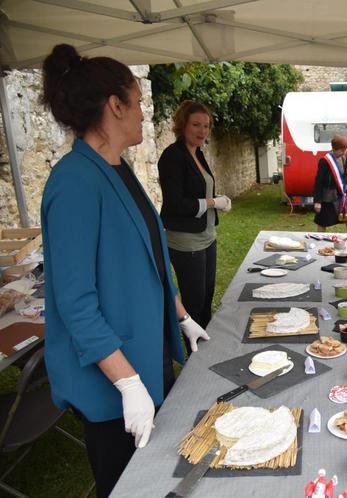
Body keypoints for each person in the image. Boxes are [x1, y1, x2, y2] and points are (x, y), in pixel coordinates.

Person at [40, 44, 209, 497]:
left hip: (146, 352)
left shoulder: (119, 169)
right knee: (128, 484)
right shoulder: (74, 181)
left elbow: (151, 255)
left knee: (160, 476)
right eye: (136, 102)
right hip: (113, 380)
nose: (142, 114)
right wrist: (129, 382)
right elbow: (74, 303)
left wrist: (180, 314)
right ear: (115, 105)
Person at [158, 101, 232, 330]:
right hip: (186, 241)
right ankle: (196, 354)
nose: (202, 131)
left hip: (207, 236)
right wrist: (213, 202)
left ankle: (205, 347)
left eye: (206, 126)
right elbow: (176, 203)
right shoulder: (172, 156)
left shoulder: (197, 154)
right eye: (196, 125)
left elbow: (198, 191)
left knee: (206, 297)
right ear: (182, 126)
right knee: (194, 301)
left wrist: (217, 198)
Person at [312, 134, 347, 246]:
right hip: (327, 198)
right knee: (322, 222)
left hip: (342, 196)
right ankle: (320, 245)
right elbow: (318, 182)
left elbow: (345, 174)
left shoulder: (345, 157)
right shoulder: (325, 161)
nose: (344, 152)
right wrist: (317, 201)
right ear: (334, 149)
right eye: (341, 150)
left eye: (345, 150)